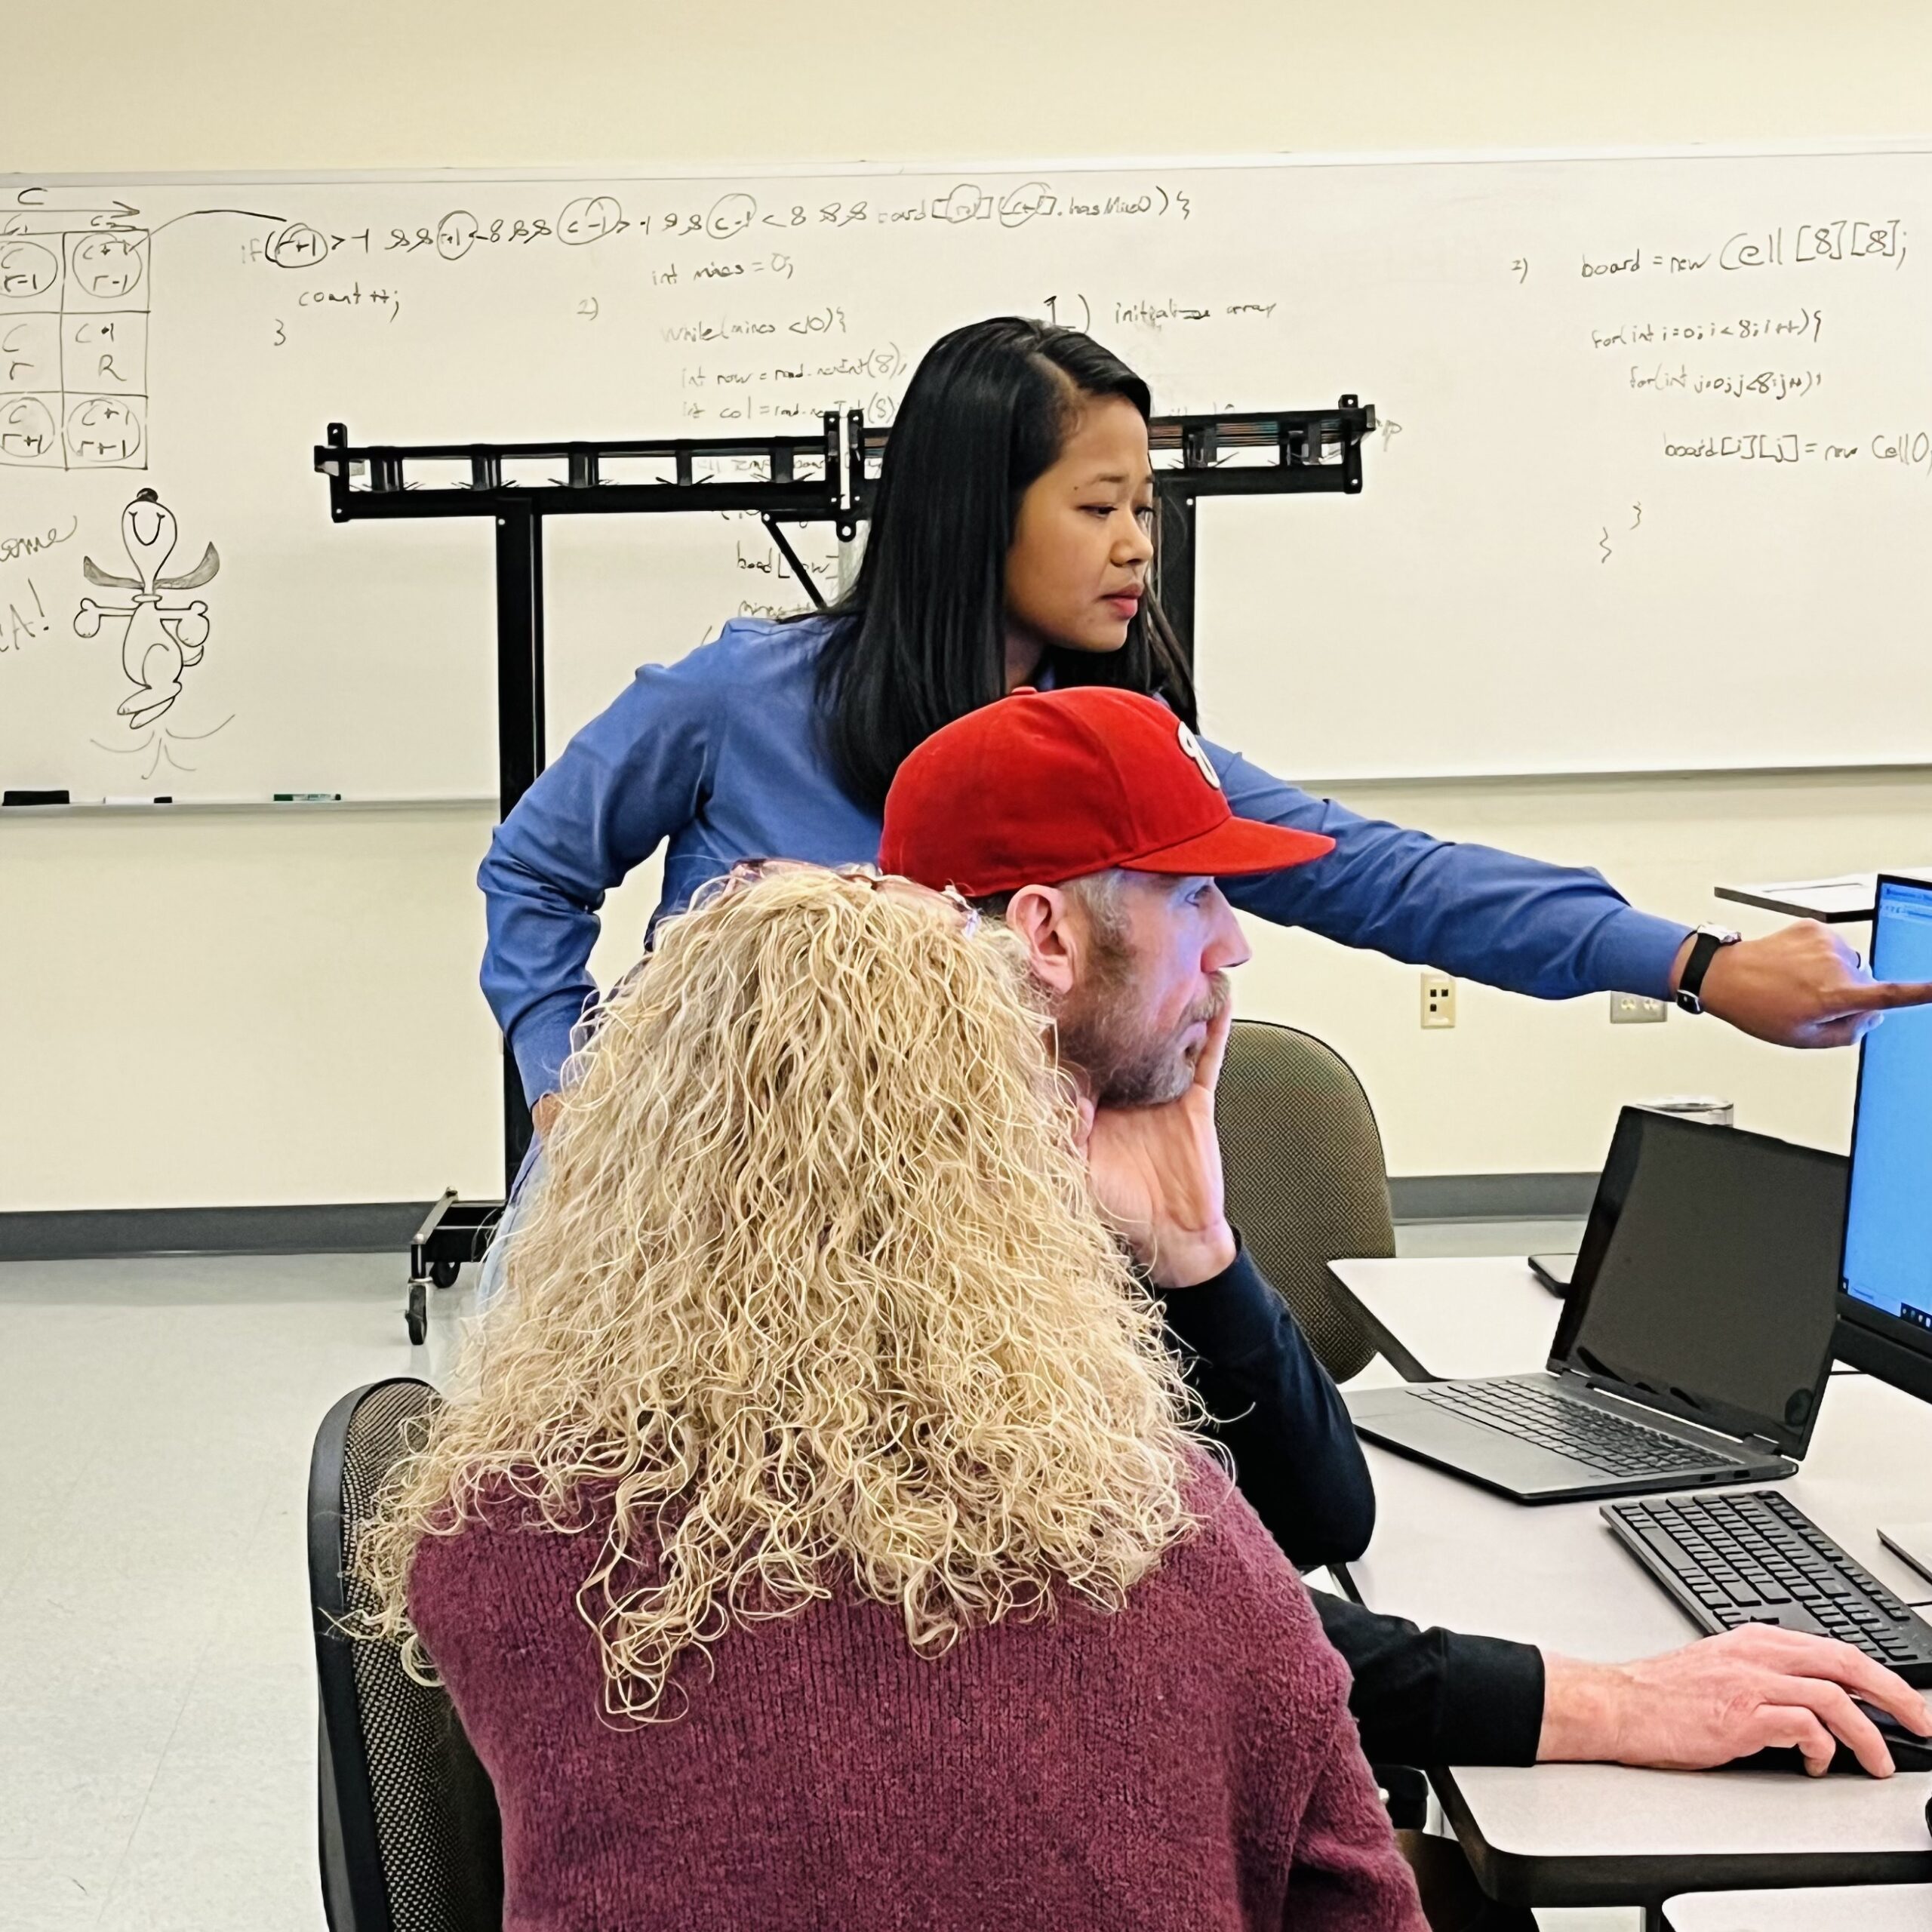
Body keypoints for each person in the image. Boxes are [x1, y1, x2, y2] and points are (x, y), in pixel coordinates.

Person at [479, 314, 1932, 1174]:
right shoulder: (742, 698)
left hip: (960, 1261)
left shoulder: (1116, 755)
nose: (1135, 546)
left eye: (1147, 509)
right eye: (1099, 505)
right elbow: (533, 876)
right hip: (680, 1241)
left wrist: (1693, 964)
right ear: (974, 512)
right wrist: (568, 1076)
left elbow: (1383, 874)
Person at [877, 679, 1932, 1789]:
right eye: (1193, 895)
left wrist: (1198, 1252)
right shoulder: (905, 1242)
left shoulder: (1049, 1160)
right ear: (1046, 933)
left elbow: (1321, 1516)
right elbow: (1179, 1643)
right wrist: (1612, 1701)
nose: (1232, 945)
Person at [361, 864, 1428, 1932]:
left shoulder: (490, 1543)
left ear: (621, 1164)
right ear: (1019, 1167)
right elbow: (1360, 1898)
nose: (1227, 941)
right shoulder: (1184, 1551)